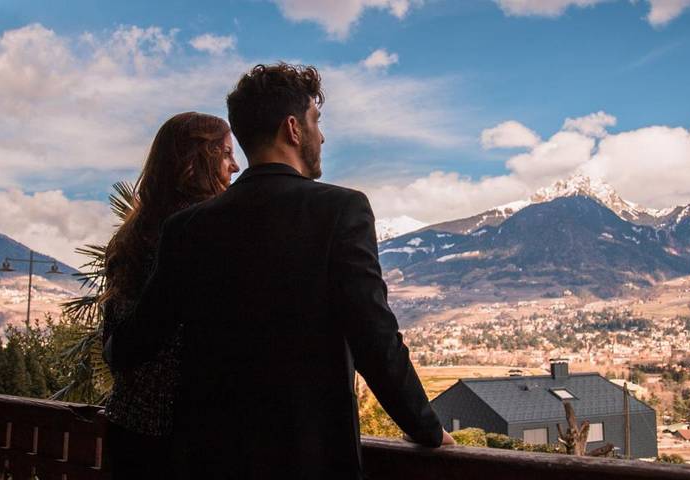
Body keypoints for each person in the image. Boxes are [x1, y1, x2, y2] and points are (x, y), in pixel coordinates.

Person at [105, 63, 454, 479]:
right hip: (307, 458)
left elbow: (135, 343)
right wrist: (428, 429)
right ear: (293, 128)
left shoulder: (187, 227)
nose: (321, 136)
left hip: (207, 461)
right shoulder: (340, 210)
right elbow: (374, 338)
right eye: (315, 121)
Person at [101, 112, 239, 479]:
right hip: (182, 435)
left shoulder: (132, 235)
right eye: (226, 153)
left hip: (127, 423)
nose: (236, 165)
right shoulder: (205, 233)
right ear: (201, 159)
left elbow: (114, 335)